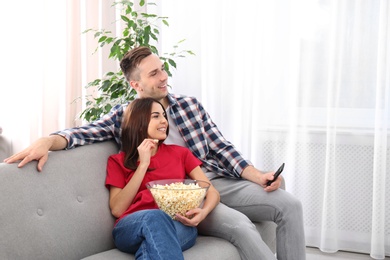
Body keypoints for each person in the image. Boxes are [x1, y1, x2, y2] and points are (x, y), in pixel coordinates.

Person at [4, 46, 306, 259]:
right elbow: (82, 134)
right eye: (154, 74)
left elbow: (221, 147)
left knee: (288, 204)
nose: (163, 77)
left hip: (213, 179)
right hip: (182, 195)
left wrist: (258, 175)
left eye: (162, 69)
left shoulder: (189, 105)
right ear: (136, 84)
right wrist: (46, 140)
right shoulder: (125, 116)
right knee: (239, 225)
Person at [106, 97, 219, 259]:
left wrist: (204, 212)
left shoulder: (181, 154)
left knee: (150, 248)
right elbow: (117, 209)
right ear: (138, 123)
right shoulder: (117, 161)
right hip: (132, 227)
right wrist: (143, 165)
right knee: (155, 217)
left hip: (178, 225)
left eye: (164, 115)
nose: (164, 121)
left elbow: (212, 191)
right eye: (156, 116)